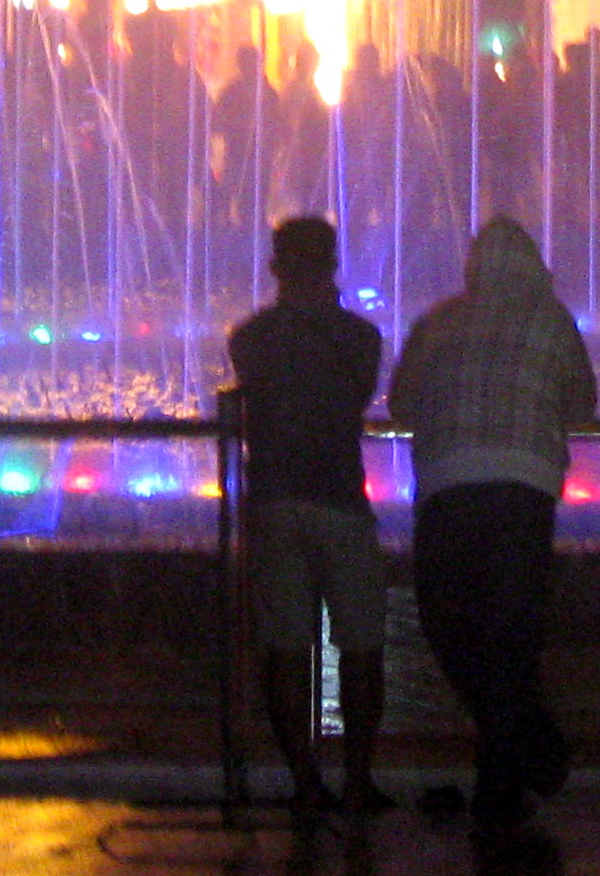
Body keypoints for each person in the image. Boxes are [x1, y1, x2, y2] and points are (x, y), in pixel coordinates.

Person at [388, 216, 595, 829]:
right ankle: (520, 756)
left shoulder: (440, 321)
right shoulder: (551, 320)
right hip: (521, 490)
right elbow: (582, 404)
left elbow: (399, 404)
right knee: (509, 634)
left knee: (448, 625)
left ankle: (509, 771)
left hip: (448, 486)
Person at [226, 216, 388, 821]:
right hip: (340, 499)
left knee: (287, 649)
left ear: (274, 268)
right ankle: (358, 781)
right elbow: (355, 397)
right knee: (362, 645)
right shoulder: (360, 339)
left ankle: (305, 782)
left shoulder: (250, 338)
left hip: (273, 499)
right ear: (334, 264)